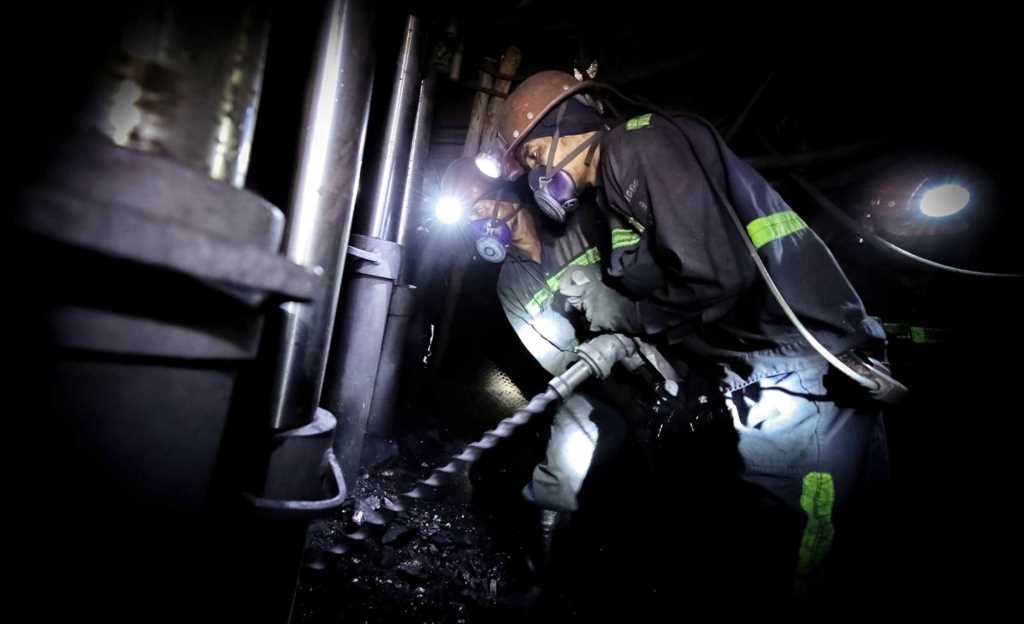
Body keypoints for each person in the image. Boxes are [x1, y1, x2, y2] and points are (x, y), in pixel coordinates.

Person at [483, 70, 897, 603]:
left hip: (796, 367)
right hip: (781, 364)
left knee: (790, 548)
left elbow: (715, 275)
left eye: (536, 155)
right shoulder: (616, 190)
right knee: (856, 529)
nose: (539, 176)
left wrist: (626, 314)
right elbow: (675, 277)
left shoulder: (634, 146)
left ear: (566, 125)